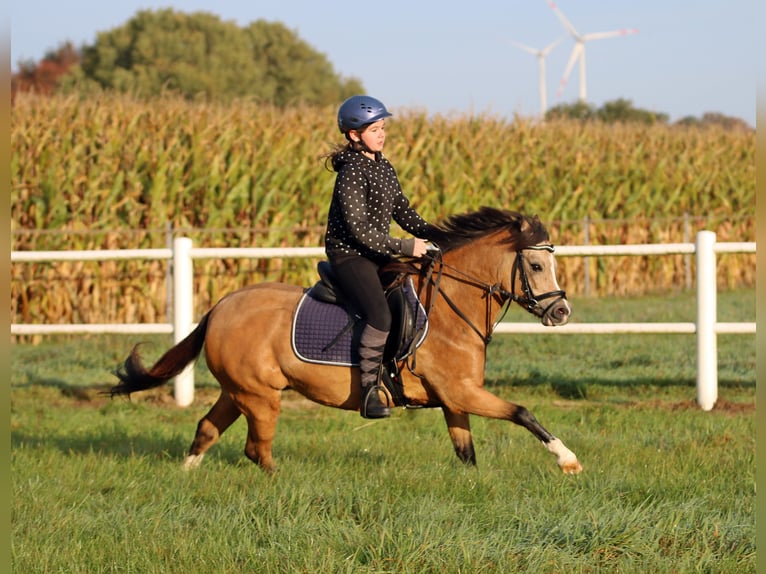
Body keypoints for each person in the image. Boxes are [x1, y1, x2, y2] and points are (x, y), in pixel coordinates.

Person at [324, 95, 435, 419]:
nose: (381, 134)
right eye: (374, 129)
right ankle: (369, 392)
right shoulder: (351, 172)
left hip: (378, 252)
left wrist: (438, 236)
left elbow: (403, 211)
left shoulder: (383, 165)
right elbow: (358, 230)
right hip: (351, 256)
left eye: (383, 127)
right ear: (354, 135)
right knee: (380, 315)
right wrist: (406, 247)